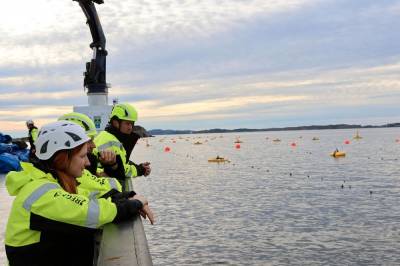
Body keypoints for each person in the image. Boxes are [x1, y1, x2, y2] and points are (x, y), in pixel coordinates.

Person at [5, 121, 154, 266]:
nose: (88, 163)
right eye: (82, 156)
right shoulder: (41, 192)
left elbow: (90, 197)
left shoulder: (52, 182)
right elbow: (91, 212)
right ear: (62, 158)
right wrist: (136, 203)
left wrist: (128, 196)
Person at [93, 103, 151, 190]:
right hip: (106, 189)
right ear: (116, 123)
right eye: (127, 123)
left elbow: (122, 162)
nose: (130, 128)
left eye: (132, 124)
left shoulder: (109, 136)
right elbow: (121, 170)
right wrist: (140, 170)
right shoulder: (110, 141)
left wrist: (139, 166)